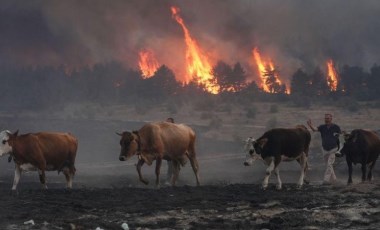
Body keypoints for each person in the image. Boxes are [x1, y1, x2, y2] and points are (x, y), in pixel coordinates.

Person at [307, 113, 341, 185]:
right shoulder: (322, 127)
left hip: (333, 148)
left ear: (331, 119)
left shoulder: (336, 127)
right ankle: (334, 179)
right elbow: (315, 130)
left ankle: (326, 180)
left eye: (328, 118)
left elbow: (340, 136)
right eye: (325, 118)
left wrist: (339, 147)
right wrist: (310, 125)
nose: (326, 120)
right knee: (328, 165)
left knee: (329, 164)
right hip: (325, 149)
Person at [165, 117, 175, 184]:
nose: (167, 123)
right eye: (166, 122)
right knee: (170, 166)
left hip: (175, 151)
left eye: (169, 122)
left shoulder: (174, 131)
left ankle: (173, 179)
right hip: (169, 152)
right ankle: (169, 180)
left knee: (174, 166)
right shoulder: (165, 131)